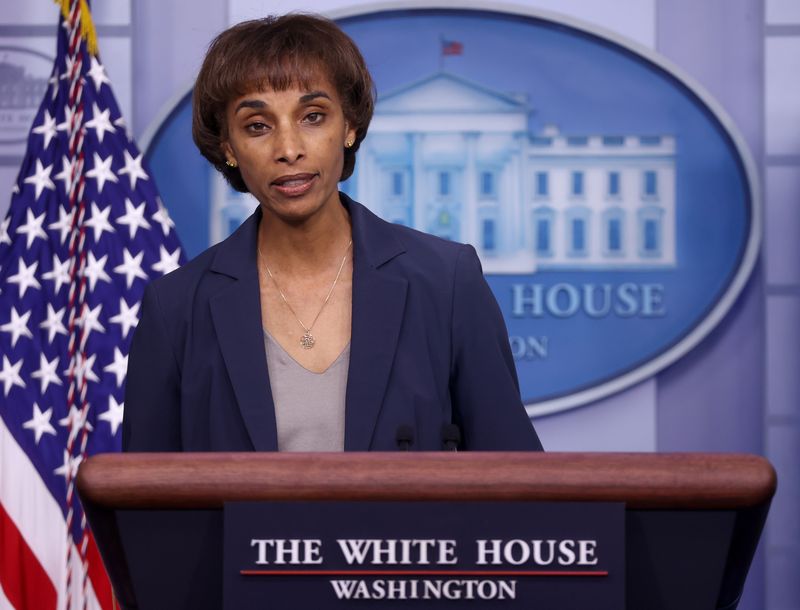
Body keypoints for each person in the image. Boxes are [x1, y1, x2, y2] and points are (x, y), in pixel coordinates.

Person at [122, 13, 542, 453]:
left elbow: (514, 480)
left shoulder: (447, 281)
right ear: (228, 147)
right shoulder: (176, 310)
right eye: (257, 126)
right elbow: (146, 503)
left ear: (350, 126)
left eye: (313, 116)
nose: (288, 150)